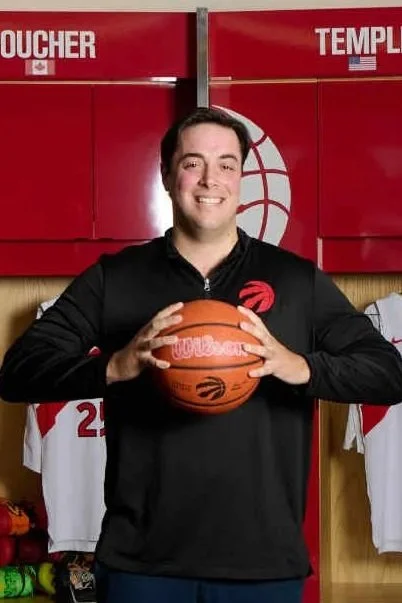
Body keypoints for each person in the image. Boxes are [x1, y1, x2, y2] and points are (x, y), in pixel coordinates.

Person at [1, 107, 402, 603]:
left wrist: (298, 366)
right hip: (141, 561)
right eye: (192, 163)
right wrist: (115, 366)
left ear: (242, 178)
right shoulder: (117, 278)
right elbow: (17, 372)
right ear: (168, 176)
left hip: (263, 562)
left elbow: (388, 373)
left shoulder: (297, 280)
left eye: (227, 164)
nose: (210, 179)